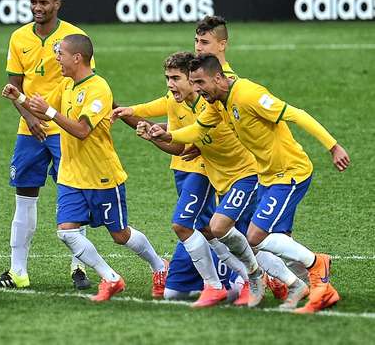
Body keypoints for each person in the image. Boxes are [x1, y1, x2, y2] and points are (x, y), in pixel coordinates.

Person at [147, 54, 351, 313]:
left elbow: (297, 115)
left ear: (218, 77)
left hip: (290, 172)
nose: (197, 89)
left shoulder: (248, 94)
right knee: (271, 238)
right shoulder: (217, 104)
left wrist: (333, 146)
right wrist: (167, 134)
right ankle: (315, 287)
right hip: (267, 176)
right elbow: (198, 130)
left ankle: (316, 264)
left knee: (255, 236)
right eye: (194, 83)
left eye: (200, 82)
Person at [116, 52, 305, 309]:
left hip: (239, 176)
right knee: (231, 236)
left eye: (175, 78)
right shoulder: (181, 103)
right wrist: (156, 135)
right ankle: (273, 278)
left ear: (193, 80)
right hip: (217, 179)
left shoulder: (212, 106)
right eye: (167, 79)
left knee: (207, 229)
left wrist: (163, 133)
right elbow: (182, 147)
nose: (170, 84)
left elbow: (191, 145)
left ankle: (249, 279)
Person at [4, 34, 168, 301]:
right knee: (66, 232)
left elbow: (81, 130)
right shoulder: (67, 85)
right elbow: (42, 107)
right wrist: (19, 97)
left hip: (102, 176)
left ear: (77, 58)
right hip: (71, 176)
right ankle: (111, 277)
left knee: (120, 234)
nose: (57, 58)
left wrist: (49, 113)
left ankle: (159, 266)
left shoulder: (99, 89)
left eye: (61, 54)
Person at [0, 0, 95, 291]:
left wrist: (53, 116)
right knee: (24, 199)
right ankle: (17, 271)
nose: (37, 7)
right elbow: (14, 86)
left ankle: (79, 267)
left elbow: (83, 82)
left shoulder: (74, 38)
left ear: (57, 4)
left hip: (63, 129)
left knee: (73, 196)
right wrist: (30, 117)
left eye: (44, 2)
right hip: (29, 131)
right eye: (33, 2)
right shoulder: (19, 37)